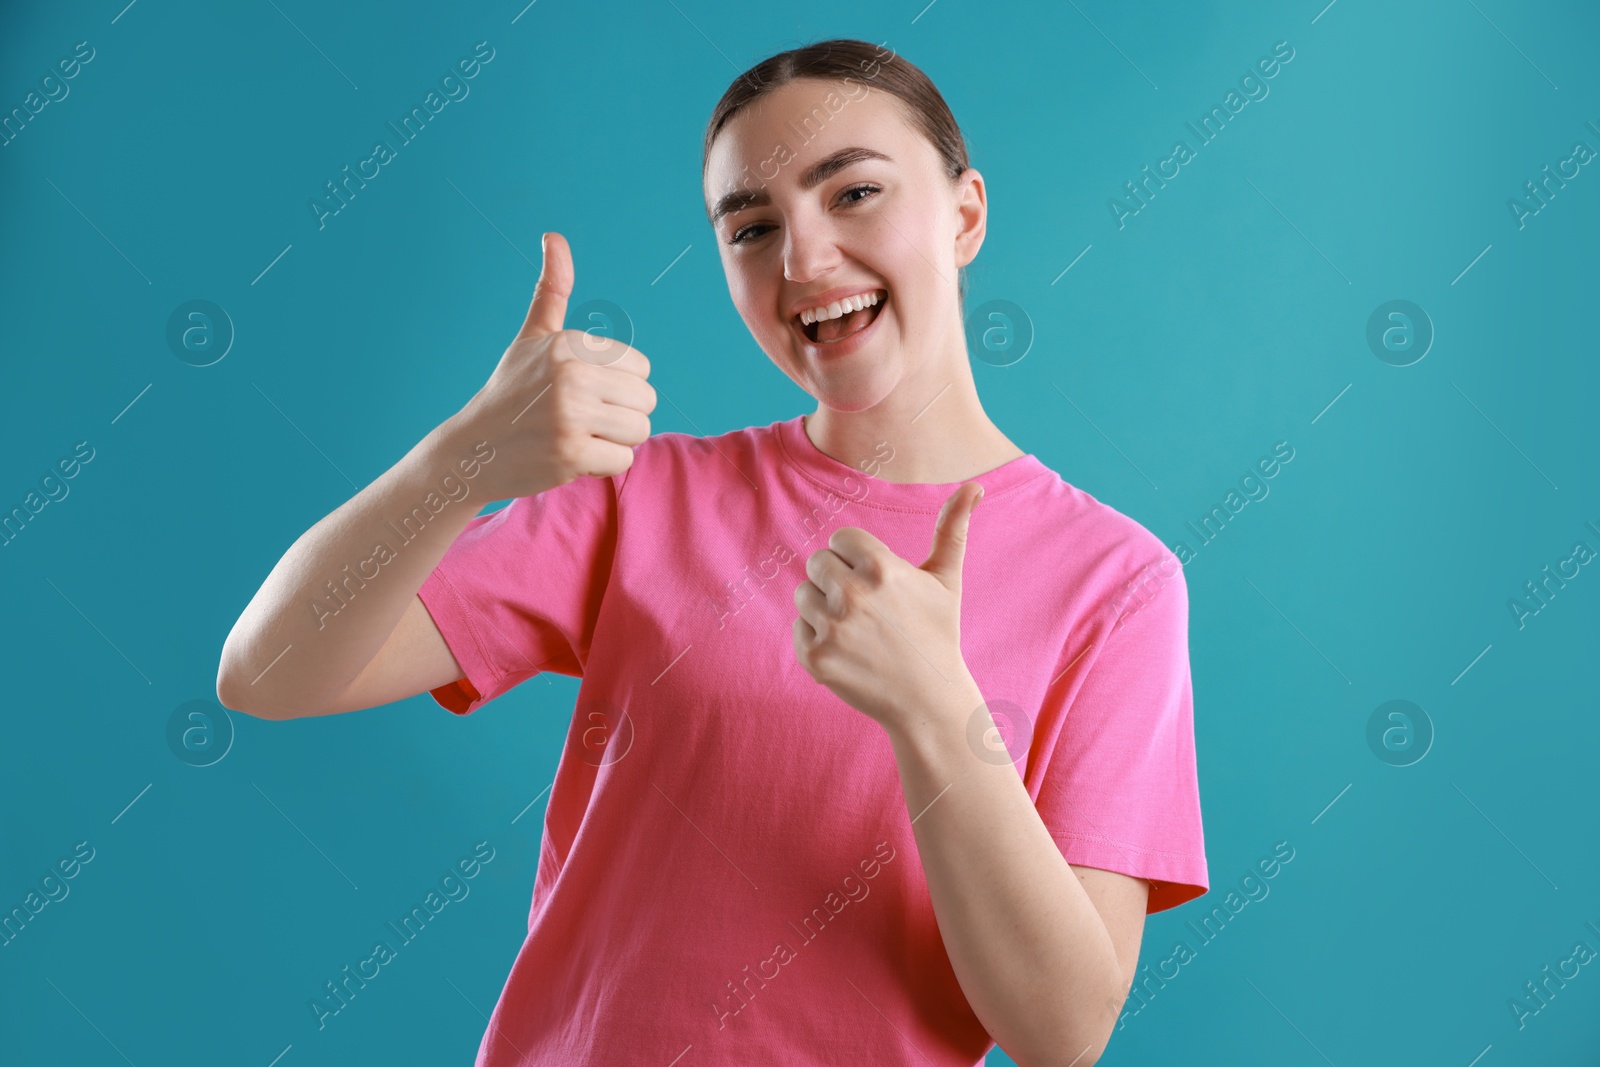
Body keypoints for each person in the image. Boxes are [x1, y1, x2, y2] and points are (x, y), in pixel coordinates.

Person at [217, 37, 1207, 1067]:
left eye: (855, 193)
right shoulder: (643, 498)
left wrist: (933, 711)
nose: (803, 260)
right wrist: (458, 460)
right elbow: (266, 672)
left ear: (963, 215)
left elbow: (1061, 1031)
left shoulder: (1116, 584)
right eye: (751, 226)